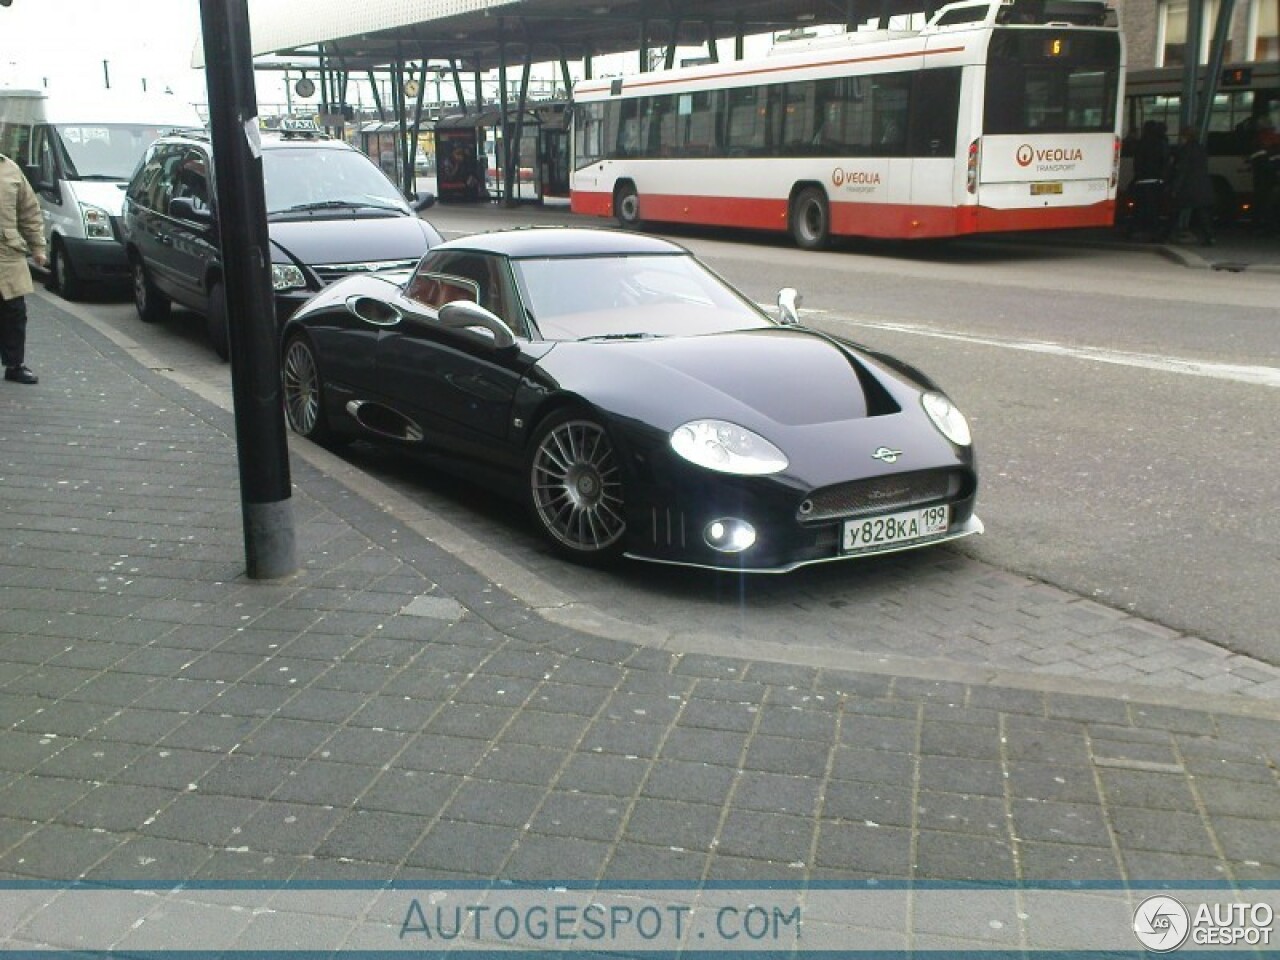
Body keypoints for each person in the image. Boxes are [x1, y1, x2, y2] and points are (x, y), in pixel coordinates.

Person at [0, 150, 47, 384]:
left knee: (14, 313)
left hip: (7, 256)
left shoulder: (10, 169)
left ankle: (15, 365)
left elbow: (29, 211)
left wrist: (37, 247)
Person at [1168, 126, 1215, 246]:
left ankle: (1166, 235)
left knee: (1175, 211)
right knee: (1202, 212)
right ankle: (1209, 237)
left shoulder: (1184, 150)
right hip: (1202, 185)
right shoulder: (1201, 148)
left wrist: (1175, 188)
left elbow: (1182, 171)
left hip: (1188, 186)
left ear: (1184, 137)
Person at [1127, 120, 1169, 238]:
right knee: (1154, 207)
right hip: (1156, 180)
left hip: (1142, 180)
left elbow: (1137, 162)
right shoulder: (1161, 143)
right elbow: (1165, 161)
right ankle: (1154, 231)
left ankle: (1139, 229)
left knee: (1141, 207)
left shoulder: (1141, 143)